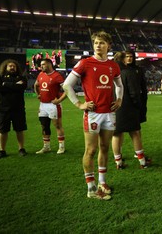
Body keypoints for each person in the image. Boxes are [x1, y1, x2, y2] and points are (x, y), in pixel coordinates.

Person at [62, 31, 124, 200]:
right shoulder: (85, 63)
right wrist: (79, 104)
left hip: (109, 113)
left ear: (108, 46)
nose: (98, 45)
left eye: (102, 43)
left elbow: (119, 85)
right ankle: (91, 188)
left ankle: (103, 182)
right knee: (91, 150)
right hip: (93, 114)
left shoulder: (113, 66)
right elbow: (67, 85)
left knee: (104, 148)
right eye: (96, 42)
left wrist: (119, 99)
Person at [111, 51, 151, 169]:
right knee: (135, 133)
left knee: (117, 134)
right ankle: (142, 162)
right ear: (123, 59)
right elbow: (134, 92)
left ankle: (118, 162)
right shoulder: (129, 72)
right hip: (128, 107)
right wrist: (138, 105)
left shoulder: (111, 72)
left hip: (114, 107)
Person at [0, 59, 28, 159]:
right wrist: (15, 85)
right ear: (5, 67)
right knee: (2, 131)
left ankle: (21, 149)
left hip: (18, 108)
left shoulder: (21, 77)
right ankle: (2, 151)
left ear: (17, 68)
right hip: (3, 109)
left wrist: (6, 85)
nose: (12, 67)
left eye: (14, 66)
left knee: (19, 130)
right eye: (10, 66)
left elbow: (22, 87)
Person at [34, 58, 67, 154]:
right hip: (43, 105)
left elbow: (67, 89)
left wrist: (59, 100)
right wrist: (38, 94)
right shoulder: (40, 74)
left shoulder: (57, 76)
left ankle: (61, 147)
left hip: (53, 105)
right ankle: (46, 147)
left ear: (49, 64)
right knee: (44, 126)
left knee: (57, 125)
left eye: (43, 64)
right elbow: (36, 85)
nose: (41, 66)